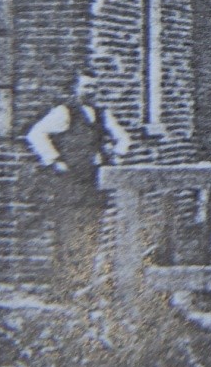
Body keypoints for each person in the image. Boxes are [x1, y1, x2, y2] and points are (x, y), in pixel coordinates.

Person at [24, 72, 131, 297]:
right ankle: (63, 288)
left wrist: (116, 155)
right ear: (75, 88)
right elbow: (36, 134)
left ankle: (84, 285)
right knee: (68, 232)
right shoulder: (64, 112)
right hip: (71, 183)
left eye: (94, 87)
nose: (90, 91)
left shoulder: (102, 115)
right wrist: (54, 160)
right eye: (86, 87)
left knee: (91, 230)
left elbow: (123, 138)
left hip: (93, 182)